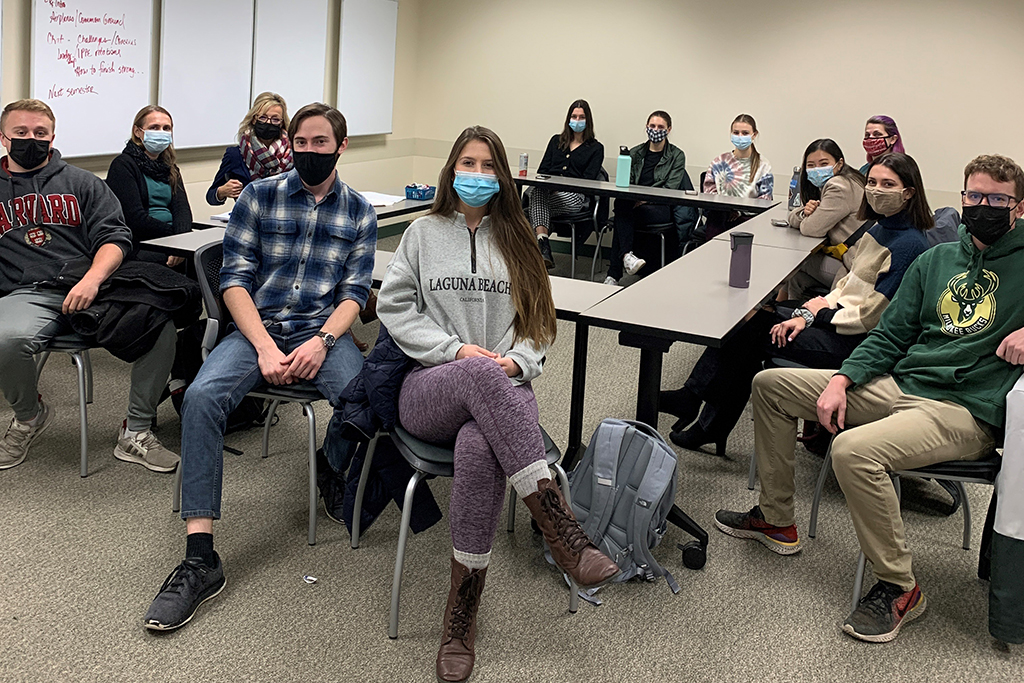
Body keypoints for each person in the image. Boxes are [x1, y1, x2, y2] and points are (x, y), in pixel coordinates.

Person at [714, 154, 1024, 643]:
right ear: (961, 198)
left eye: (997, 199)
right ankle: (777, 521)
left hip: (964, 409)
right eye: (975, 196)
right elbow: (890, 335)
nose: (984, 206)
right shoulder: (936, 261)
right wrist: (842, 378)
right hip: (900, 385)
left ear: (1018, 207)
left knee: (852, 452)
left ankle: (901, 586)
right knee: (771, 386)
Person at [377, 126, 619, 683]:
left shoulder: (518, 239)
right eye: (468, 162)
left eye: (490, 166)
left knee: (479, 443)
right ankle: (562, 531)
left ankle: (461, 614)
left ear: (504, 176)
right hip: (429, 388)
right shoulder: (421, 232)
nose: (478, 175)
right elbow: (393, 308)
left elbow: (540, 326)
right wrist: (455, 350)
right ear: (450, 168)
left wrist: (519, 363)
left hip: (505, 391)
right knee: (477, 378)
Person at [143, 103, 376, 631]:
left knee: (364, 399)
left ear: (341, 147)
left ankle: (330, 464)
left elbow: (355, 295)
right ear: (291, 144)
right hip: (256, 329)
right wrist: (266, 346)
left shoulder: (359, 211)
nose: (310, 151)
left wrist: (322, 340)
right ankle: (201, 556)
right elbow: (234, 281)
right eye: (302, 142)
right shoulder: (259, 195)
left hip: (323, 329)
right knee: (202, 398)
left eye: (321, 143)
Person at [662, 153, 932, 455]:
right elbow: (845, 285)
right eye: (872, 182)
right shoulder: (881, 228)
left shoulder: (909, 245)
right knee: (751, 321)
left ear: (908, 193)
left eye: (887, 184)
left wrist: (816, 315)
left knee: (754, 332)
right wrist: (808, 312)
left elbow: (870, 317)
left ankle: (700, 407)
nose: (875, 190)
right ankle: (705, 416)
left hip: (856, 342)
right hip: (836, 320)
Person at [0, 99, 179, 473]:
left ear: (52, 137)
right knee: (6, 338)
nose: (31, 139)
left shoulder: (82, 183)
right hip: (28, 292)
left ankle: (137, 430)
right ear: (4, 138)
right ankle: (28, 416)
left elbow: (115, 237)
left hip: (94, 287)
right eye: (21, 133)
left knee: (160, 325)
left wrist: (92, 279)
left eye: (40, 133)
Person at [604, 110, 686, 285]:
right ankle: (627, 257)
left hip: (660, 207)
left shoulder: (676, 156)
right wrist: (636, 199)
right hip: (634, 204)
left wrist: (644, 199)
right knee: (622, 205)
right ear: (647, 127)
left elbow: (670, 189)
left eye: (660, 127)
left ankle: (614, 274)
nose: (656, 130)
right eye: (652, 126)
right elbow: (627, 183)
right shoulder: (635, 153)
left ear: (669, 129)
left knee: (622, 213)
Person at [105, 105, 192, 268]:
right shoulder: (123, 165)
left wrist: (182, 242)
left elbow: (182, 210)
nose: (161, 132)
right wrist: (175, 238)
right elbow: (134, 220)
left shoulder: (170, 167)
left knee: (205, 257)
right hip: (141, 243)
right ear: (138, 132)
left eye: (166, 128)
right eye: (154, 127)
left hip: (172, 240)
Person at [782, 139, 866, 300]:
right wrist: (805, 213)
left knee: (796, 262)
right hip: (851, 257)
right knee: (797, 279)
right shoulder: (851, 178)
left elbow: (811, 229)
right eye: (811, 165)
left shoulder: (838, 186)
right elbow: (795, 216)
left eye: (823, 163)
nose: (817, 170)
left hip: (854, 266)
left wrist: (806, 216)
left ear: (839, 163)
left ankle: (781, 311)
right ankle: (787, 314)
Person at [528, 99, 604, 268]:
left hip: (575, 198)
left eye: (581, 117)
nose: (577, 120)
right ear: (568, 119)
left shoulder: (596, 148)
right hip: (547, 194)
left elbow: (588, 181)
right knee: (537, 192)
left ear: (588, 120)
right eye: (574, 116)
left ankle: (536, 254)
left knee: (525, 213)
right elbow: (543, 172)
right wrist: (552, 187)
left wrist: (560, 187)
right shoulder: (556, 141)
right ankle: (544, 249)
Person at [206, 92, 292, 206]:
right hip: (248, 218)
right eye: (263, 117)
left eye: (275, 119)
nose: (268, 122)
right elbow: (210, 196)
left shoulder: (292, 154)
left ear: (282, 123)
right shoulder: (235, 155)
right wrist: (221, 192)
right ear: (253, 119)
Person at [702, 114, 774, 239]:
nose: (740, 136)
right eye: (736, 132)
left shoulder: (764, 166)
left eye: (745, 133)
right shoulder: (719, 162)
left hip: (749, 221)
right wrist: (729, 210)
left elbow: (765, 200)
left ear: (754, 135)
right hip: (721, 218)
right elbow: (708, 192)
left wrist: (739, 211)